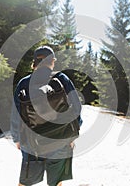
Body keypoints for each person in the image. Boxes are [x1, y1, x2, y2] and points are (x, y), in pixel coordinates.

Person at [11, 46, 82, 186]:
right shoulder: (62, 79)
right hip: (60, 141)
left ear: (34, 63)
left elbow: (16, 114)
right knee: (56, 183)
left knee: (25, 182)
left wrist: (17, 139)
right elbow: (76, 108)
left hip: (31, 143)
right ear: (52, 62)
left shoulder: (24, 83)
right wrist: (72, 135)